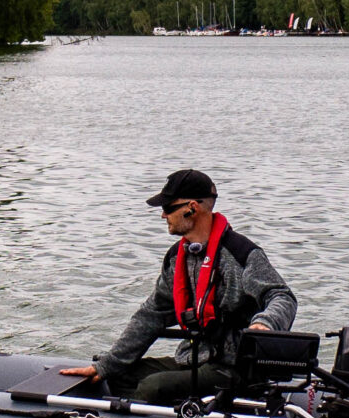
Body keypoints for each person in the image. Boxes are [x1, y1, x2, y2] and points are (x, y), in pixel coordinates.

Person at [58, 169, 298, 404]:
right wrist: (106, 365)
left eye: (167, 208)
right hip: (193, 358)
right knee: (118, 375)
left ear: (191, 208)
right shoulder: (177, 258)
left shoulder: (241, 254)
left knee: (154, 386)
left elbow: (282, 296)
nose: (163, 216)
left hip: (232, 367)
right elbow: (150, 315)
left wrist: (263, 324)